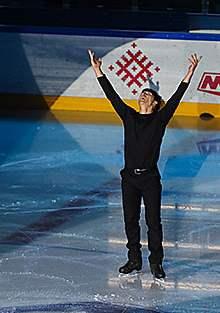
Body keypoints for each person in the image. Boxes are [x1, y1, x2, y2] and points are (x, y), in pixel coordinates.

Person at [88, 49, 202, 280]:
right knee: (130, 220)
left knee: (153, 222)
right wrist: (99, 71)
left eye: (148, 94)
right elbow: (112, 96)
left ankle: (156, 262)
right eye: (142, 92)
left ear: (156, 103)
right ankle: (134, 259)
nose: (143, 94)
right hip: (129, 178)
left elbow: (177, 99)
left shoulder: (160, 120)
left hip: (150, 178)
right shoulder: (128, 116)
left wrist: (189, 74)